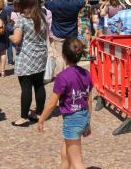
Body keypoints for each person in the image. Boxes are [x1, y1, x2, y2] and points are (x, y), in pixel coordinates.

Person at [38, 37, 93, 169]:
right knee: (65, 152)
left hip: (72, 120)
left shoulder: (63, 77)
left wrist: (41, 119)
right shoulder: (87, 73)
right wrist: (88, 121)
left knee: (77, 162)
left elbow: (52, 104)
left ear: (63, 55)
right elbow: (89, 100)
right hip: (83, 116)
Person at [10, 0, 48, 126]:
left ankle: (23, 117)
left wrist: (8, 35)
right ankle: (39, 113)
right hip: (41, 55)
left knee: (26, 87)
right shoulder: (42, 16)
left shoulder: (22, 19)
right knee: (39, 85)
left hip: (27, 56)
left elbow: (16, 39)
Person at [45, 0, 85, 75]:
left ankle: (60, 74)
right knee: (70, 54)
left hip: (58, 33)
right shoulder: (75, 4)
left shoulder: (54, 4)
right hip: (71, 34)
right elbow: (82, 1)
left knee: (60, 55)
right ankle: (70, 74)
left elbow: (46, 2)